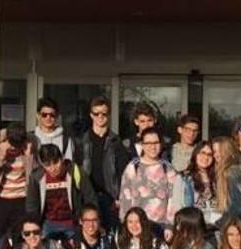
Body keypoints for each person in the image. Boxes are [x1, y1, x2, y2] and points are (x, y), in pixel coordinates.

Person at [76, 96, 128, 232]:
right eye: (96, 113)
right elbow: (76, 171)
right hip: (88, 197)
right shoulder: (81, 141)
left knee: (112, 236)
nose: (100, 117)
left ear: (109, 115)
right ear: (91, 115)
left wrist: (119, 197)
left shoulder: (116, 142)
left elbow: (123, 172)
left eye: (104, 113)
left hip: (110, 198)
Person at [119, 127, 181, 235]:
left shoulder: (168, 168)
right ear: (142, 145)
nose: (152, 146)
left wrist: (170, 226)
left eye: (156, 142)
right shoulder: (133, 167)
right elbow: (125, 199)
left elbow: (173, 200)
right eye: (148, 143)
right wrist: (126, 225)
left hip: (160, 228)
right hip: (136, 227)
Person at [0, 122, 35, 240]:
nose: (14, 149)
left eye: (18, 147)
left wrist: (29, 157)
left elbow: (33, 178)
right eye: (12, 146)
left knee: (20, 239)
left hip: (22, 199)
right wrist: (1, 157)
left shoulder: (32, 141)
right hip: (0, 199)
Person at [27, 143, 90, 241]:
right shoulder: (36, 177)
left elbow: (89, 197)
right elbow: (32, 206)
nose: (53, 168)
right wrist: (35, 227)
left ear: (62, 158)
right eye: (47, 165)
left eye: (56, 162)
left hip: (72, 223)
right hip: (48, 224)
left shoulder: (74, 171)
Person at [180, 140, 221, 227]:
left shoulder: (219, 178)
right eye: (202, 153)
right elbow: (178, 206)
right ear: (195, 154)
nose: (205, 157)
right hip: (194, 226)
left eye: (209, 154)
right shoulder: (184, 178)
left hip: (216, 227)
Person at [34, 96, 76, 163]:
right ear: (38, 116)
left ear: (57, 116)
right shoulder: (31, 137)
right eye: (44, 115)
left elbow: (69, 165)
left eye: (52, 115)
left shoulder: (66, 140)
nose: (48, 118)